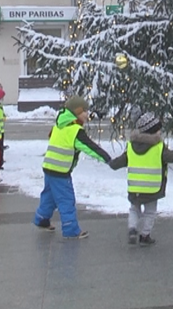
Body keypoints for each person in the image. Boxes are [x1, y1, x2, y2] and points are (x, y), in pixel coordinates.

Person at [109, 112, 173, 246]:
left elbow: (120, 161)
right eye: (158, 129)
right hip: (152, 188)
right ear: (153, 131)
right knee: (150, 212)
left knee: (134, 209)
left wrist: (111, 163)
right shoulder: (159, 147)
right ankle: (145, 236)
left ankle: (132, 229)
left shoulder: (131, 147)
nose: (160, 132)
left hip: (135, 187)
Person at [32, 96, 114, 239]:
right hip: (61, 171)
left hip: (49, 166)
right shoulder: (75, 131)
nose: (87, 115)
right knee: (66, 200)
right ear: (77, 112)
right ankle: (71, 229)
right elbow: (91, 147)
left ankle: (41, 219)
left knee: (49, 196)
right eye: (85, 112)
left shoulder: (60, 123)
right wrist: (108, 159)